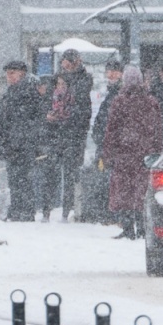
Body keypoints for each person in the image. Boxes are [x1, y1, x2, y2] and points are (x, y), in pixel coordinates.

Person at [102, 70, 163, 240]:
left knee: (124, 191)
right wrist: (157, 150)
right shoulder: (151, 102)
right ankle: (143, 228)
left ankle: (128, 228)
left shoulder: (119, 101)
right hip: (145, 155)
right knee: (142, 191)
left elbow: (112, 130)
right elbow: (157, 129)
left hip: (124, 153)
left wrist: (108, 152)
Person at [0, 60, 43, 222]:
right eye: (7, 74)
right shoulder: (14, 91)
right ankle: (18, 209)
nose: (8, 77)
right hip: (13, 143)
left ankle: (24, 210)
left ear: (21, 73)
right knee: (15, 178)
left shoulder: (27, 92)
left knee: (22, 178)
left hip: (21, 143)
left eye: (12, 73)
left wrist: (18, 138)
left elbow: (26, 120)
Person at [45, 50, 95, 220]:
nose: (66, 65)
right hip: (56, 133)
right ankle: (47, 209)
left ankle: (67, 210)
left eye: (69, 61)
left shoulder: (83, 79)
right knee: (51, 172)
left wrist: (66, 118)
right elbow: (46, 101)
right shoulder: (55, 80)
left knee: (70, 173)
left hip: (73, 134)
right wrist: (49, 116)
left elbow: (81, 107)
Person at [83, 60, 124, 223]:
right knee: (107, 181)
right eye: (109, 71)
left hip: (113, 149)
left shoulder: (119, 94)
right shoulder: (112, 93)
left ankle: (113, 214)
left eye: (115, 71)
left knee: (111, 182)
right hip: (107, 147)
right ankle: (110, 214)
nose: (111, 74)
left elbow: (113, 122)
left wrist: (106, 138)